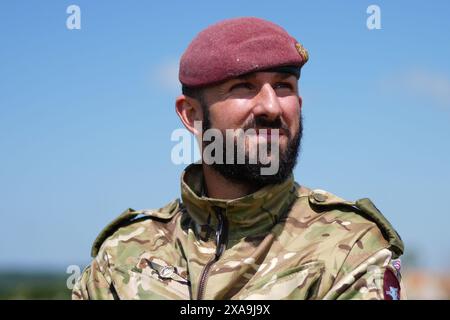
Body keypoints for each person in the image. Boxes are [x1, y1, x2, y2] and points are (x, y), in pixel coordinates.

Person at [72, 17, 405, 300]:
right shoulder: (122, 256)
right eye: (244, 87)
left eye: (284, 86)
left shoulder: (349, 245)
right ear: (191, 114)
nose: (271, 107)